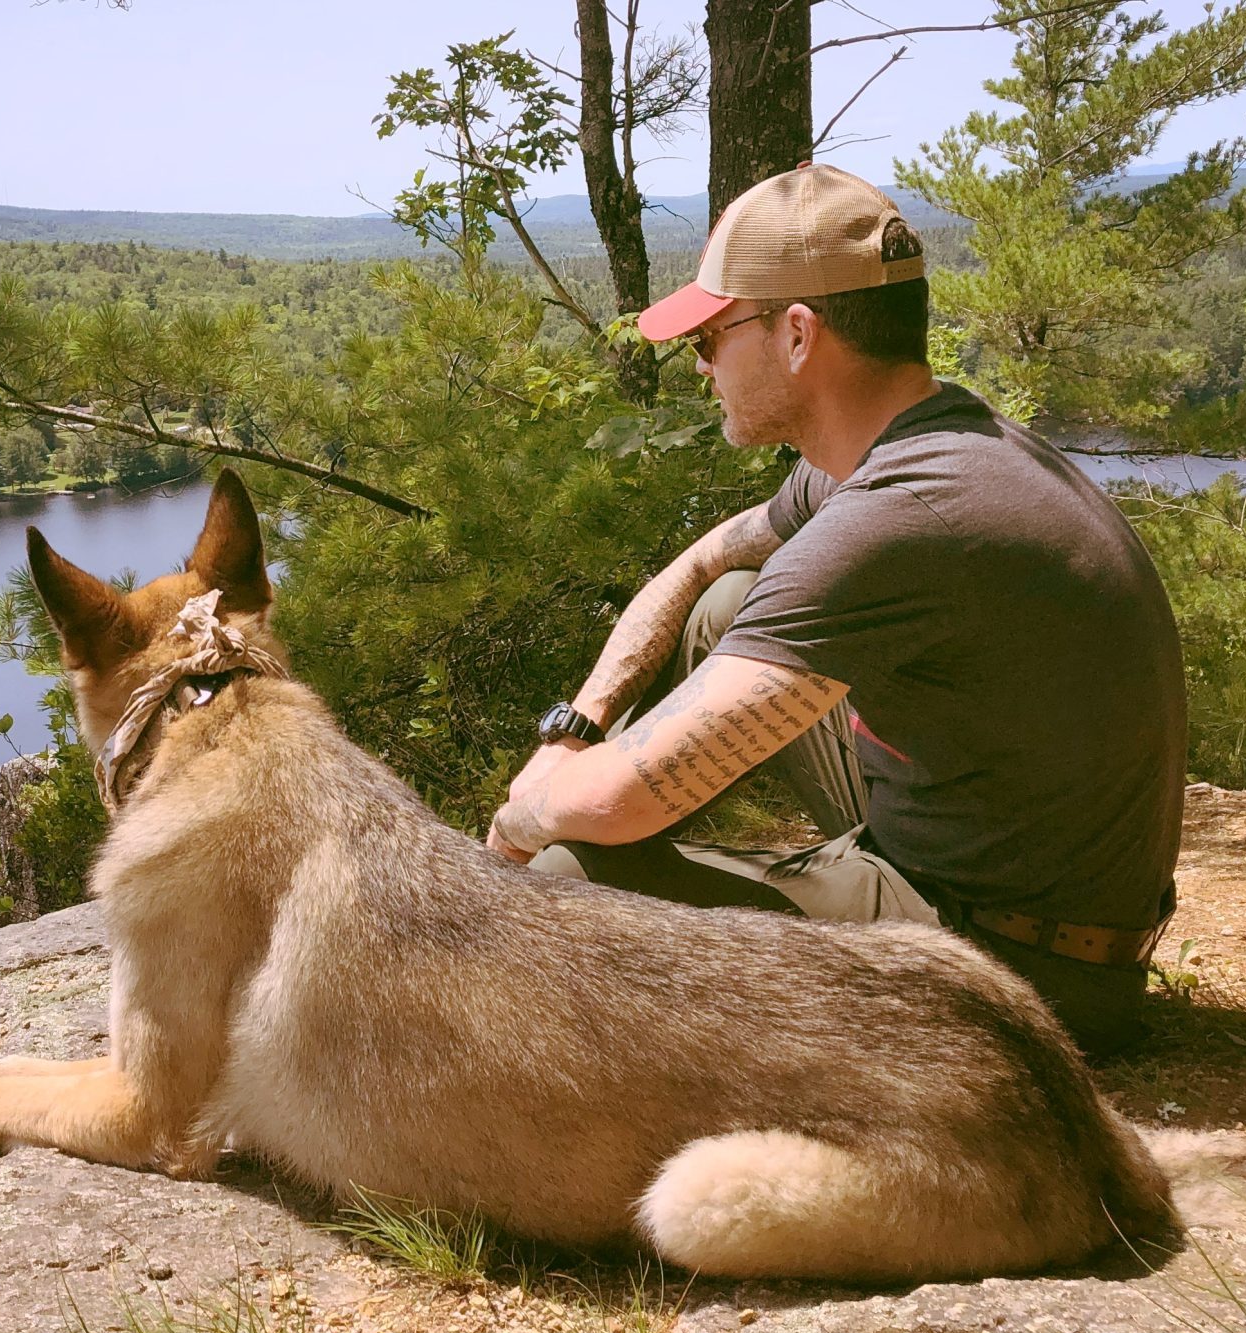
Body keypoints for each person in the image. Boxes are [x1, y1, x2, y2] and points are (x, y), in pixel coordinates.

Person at [484, 162, 1187, 1057]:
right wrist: (575, 727)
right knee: (728, 603)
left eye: (709, 339)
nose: (702, 367)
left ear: (799, 336)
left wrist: (525, 820)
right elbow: (704, 561)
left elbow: (613, 803)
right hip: (1001, 875)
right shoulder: (925, 445)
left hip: (1024, 975)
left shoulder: (901, 516)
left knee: (565, 874)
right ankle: (679, 888)